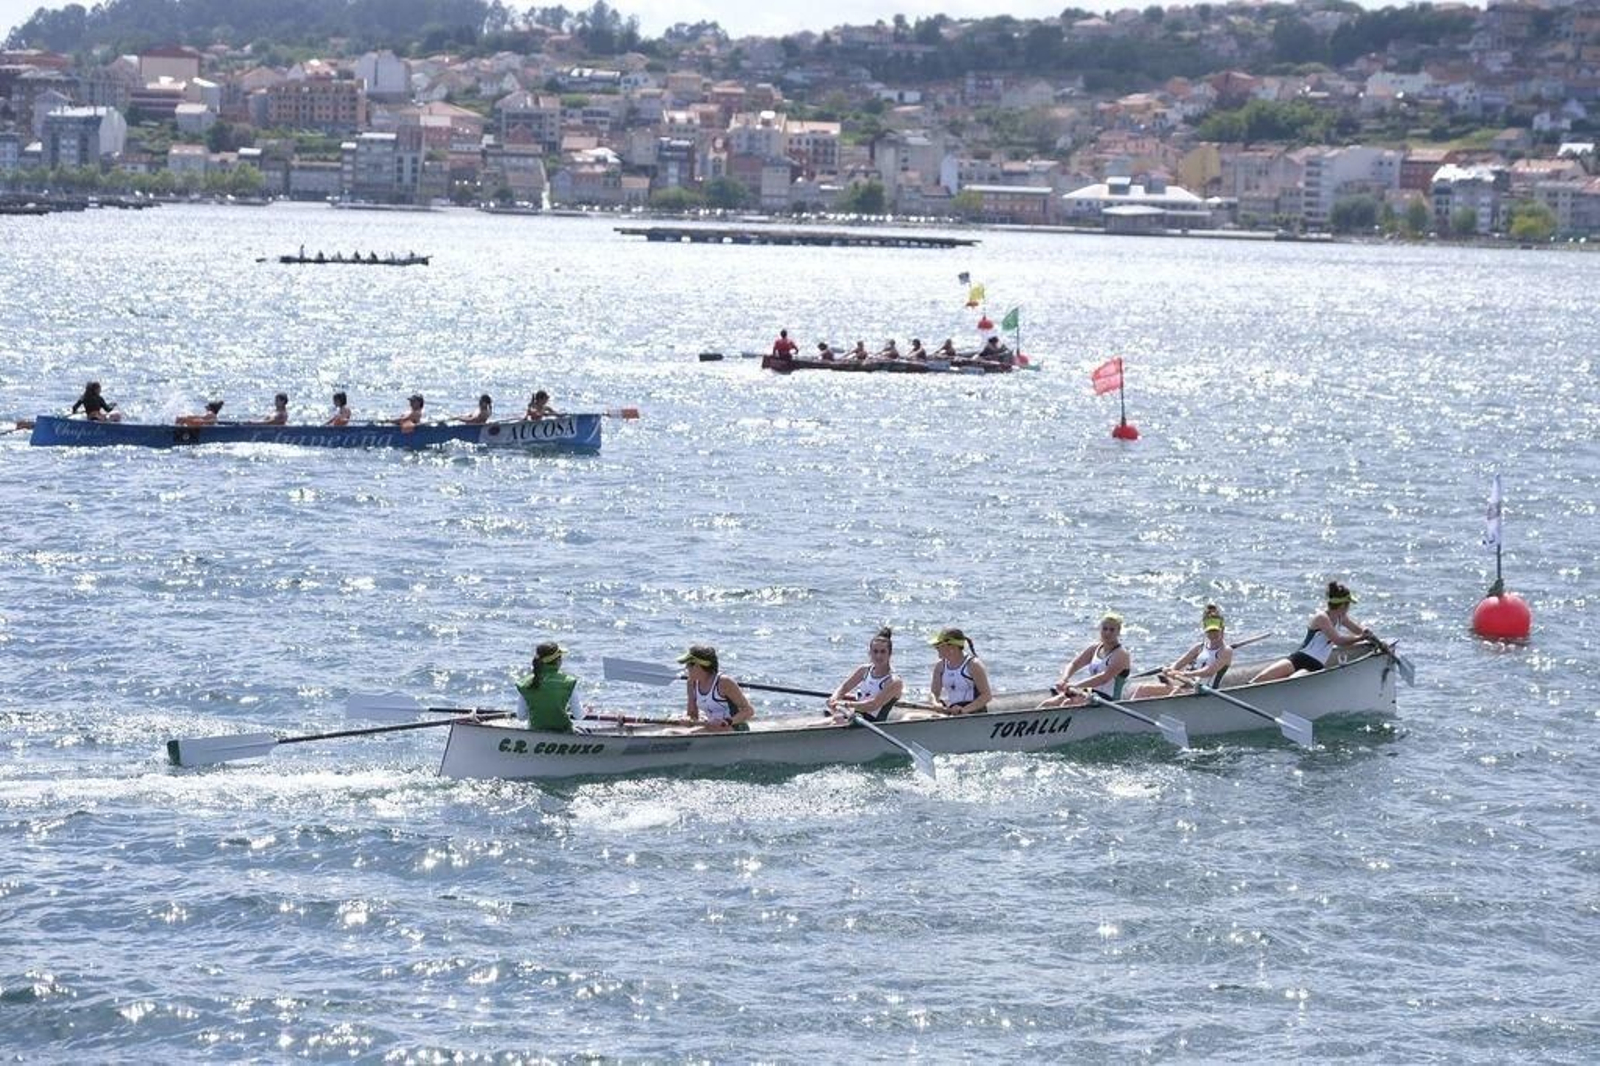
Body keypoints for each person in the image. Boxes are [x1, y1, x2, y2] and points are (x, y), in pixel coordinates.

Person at [1252, 582, 1374, 683]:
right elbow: (1339, 641)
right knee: (1259, 680)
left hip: (1314, 666)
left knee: (1291, 682)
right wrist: (1361, 638)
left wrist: (1370, 635)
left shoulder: (1342, 618)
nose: (1349, 608)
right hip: (1298, 658)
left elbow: (1359, 629)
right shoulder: (1321, 617)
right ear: (1343, 605)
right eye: (1348, 605)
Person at [1132, 605, 1234, 699]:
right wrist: (1170, 669)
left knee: (1175, 692)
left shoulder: (1226, 651)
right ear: (1204, 630)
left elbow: (1208, 671)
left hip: (1205, 693)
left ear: (1222, 629)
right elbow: (1178, 663)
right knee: (1143, 689)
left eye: (1216, 631)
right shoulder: (1199, 647)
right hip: (1190, 687)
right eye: (1209, 631)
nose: (1213, 635)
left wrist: (1183, 674)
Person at [1038, 614, 1132, 708]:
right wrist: (1064, 679)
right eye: (1105, 629)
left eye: (1112, 630)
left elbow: (1104, 678)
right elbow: (1074, 664)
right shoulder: (1095, 648)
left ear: (1118, 632)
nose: (1107, 633)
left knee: (1067, 704)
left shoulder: (1121, 654)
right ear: (1100, 629)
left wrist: (1076, 685)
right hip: (1090, 693)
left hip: (1109, 700)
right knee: (1048, 704)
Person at [827, 627, 905, 724]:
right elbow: (844, 687)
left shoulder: (894, 681)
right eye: (875, 651)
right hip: (857, 718)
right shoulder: (864, 670)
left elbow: (873, 705)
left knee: (835, 721)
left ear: (890, 654)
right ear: (870, 653)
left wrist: (846, 704)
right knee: (815, 723)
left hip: (874, 724)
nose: (878, 656)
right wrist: (835, 698)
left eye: (883, 652)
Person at [678, 645, 755, 732]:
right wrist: (688, 719)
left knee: (692, 734)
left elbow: (748, 711)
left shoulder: (724, 682)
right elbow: (693, 716)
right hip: (711, 727)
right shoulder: (691, 683)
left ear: (698, 666)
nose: (686, 668)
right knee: (668, 732)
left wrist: (727, 721)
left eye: (688, 665)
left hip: (735, 728)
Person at [516, 641, 581, 733]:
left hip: (535, 733)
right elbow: (579, 716)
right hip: (564, 733)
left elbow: (521, 716)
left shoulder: (525, 683)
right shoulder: (569, 682)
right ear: (558, 661)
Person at [929, 628, 993, 715]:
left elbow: (986, 696)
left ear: (951, 646)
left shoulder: (974, 665)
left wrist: (964, 710)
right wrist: (935, 703)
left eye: (938, 646)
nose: (936, 648)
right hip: (954, 710)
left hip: (974, 711)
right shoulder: (940, 666)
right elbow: (934, 693)